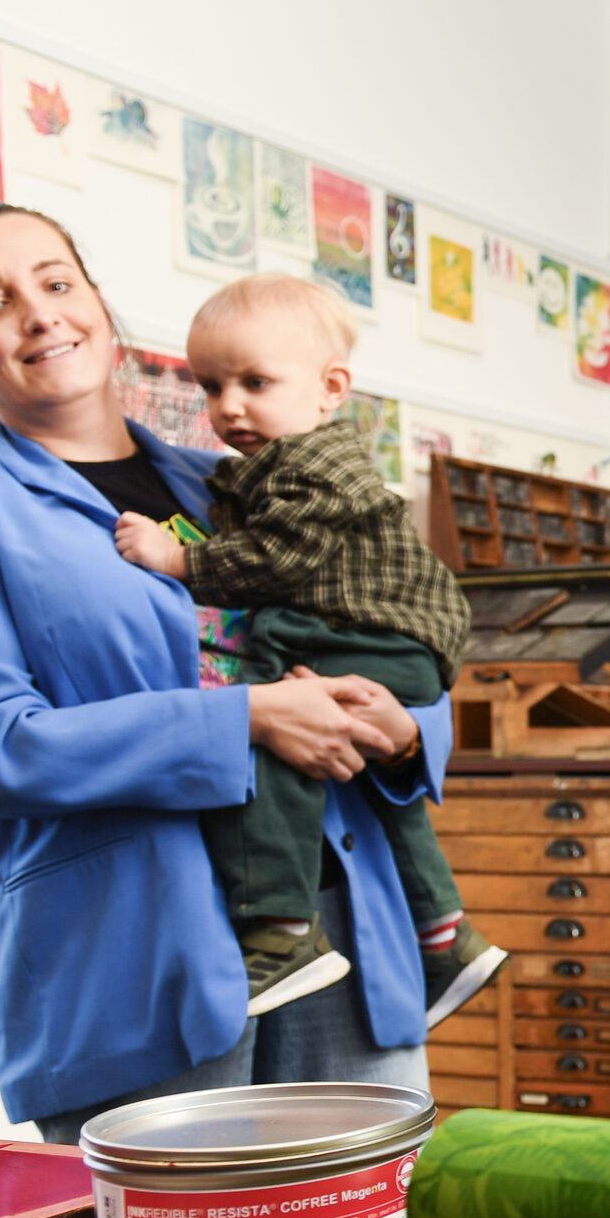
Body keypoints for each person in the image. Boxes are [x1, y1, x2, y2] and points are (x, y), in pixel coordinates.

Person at [0, 202, 457, 1141]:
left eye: (57, 283)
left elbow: (387, 635)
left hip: (345, 936)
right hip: (132, 962)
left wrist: (408, 733)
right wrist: (250, 720)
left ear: (101, 308)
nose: (38, 314)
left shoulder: (241, 479)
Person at [112, 274, 503, 1020]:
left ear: (330, 388)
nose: (229, 406)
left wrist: (177, 560)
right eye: (212, 386)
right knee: (357, 772)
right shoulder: (267, 467)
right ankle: (447, 933)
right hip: (380, 637)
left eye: (255, 382)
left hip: (369, 633)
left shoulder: (315, 466)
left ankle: (284, 930)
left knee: (274, 737)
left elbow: (275, 560)